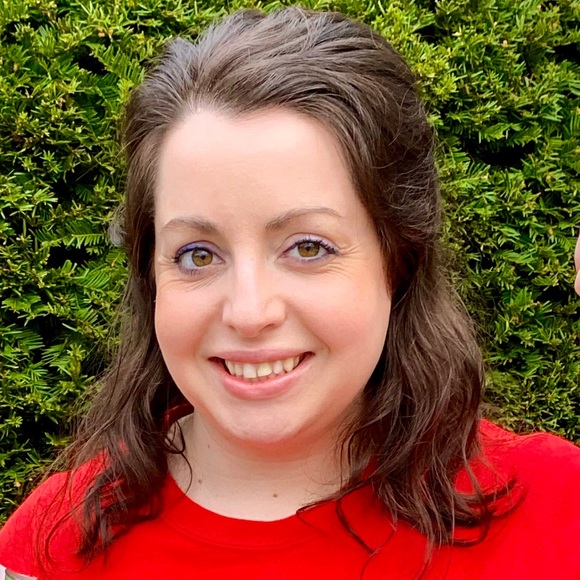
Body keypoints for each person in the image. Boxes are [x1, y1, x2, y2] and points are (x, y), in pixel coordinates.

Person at [0, 7, 578, 580]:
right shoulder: (49, 549)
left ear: (399, 259)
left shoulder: (557, 513)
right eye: (198, 255)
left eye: (308, 247)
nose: (249, 312)